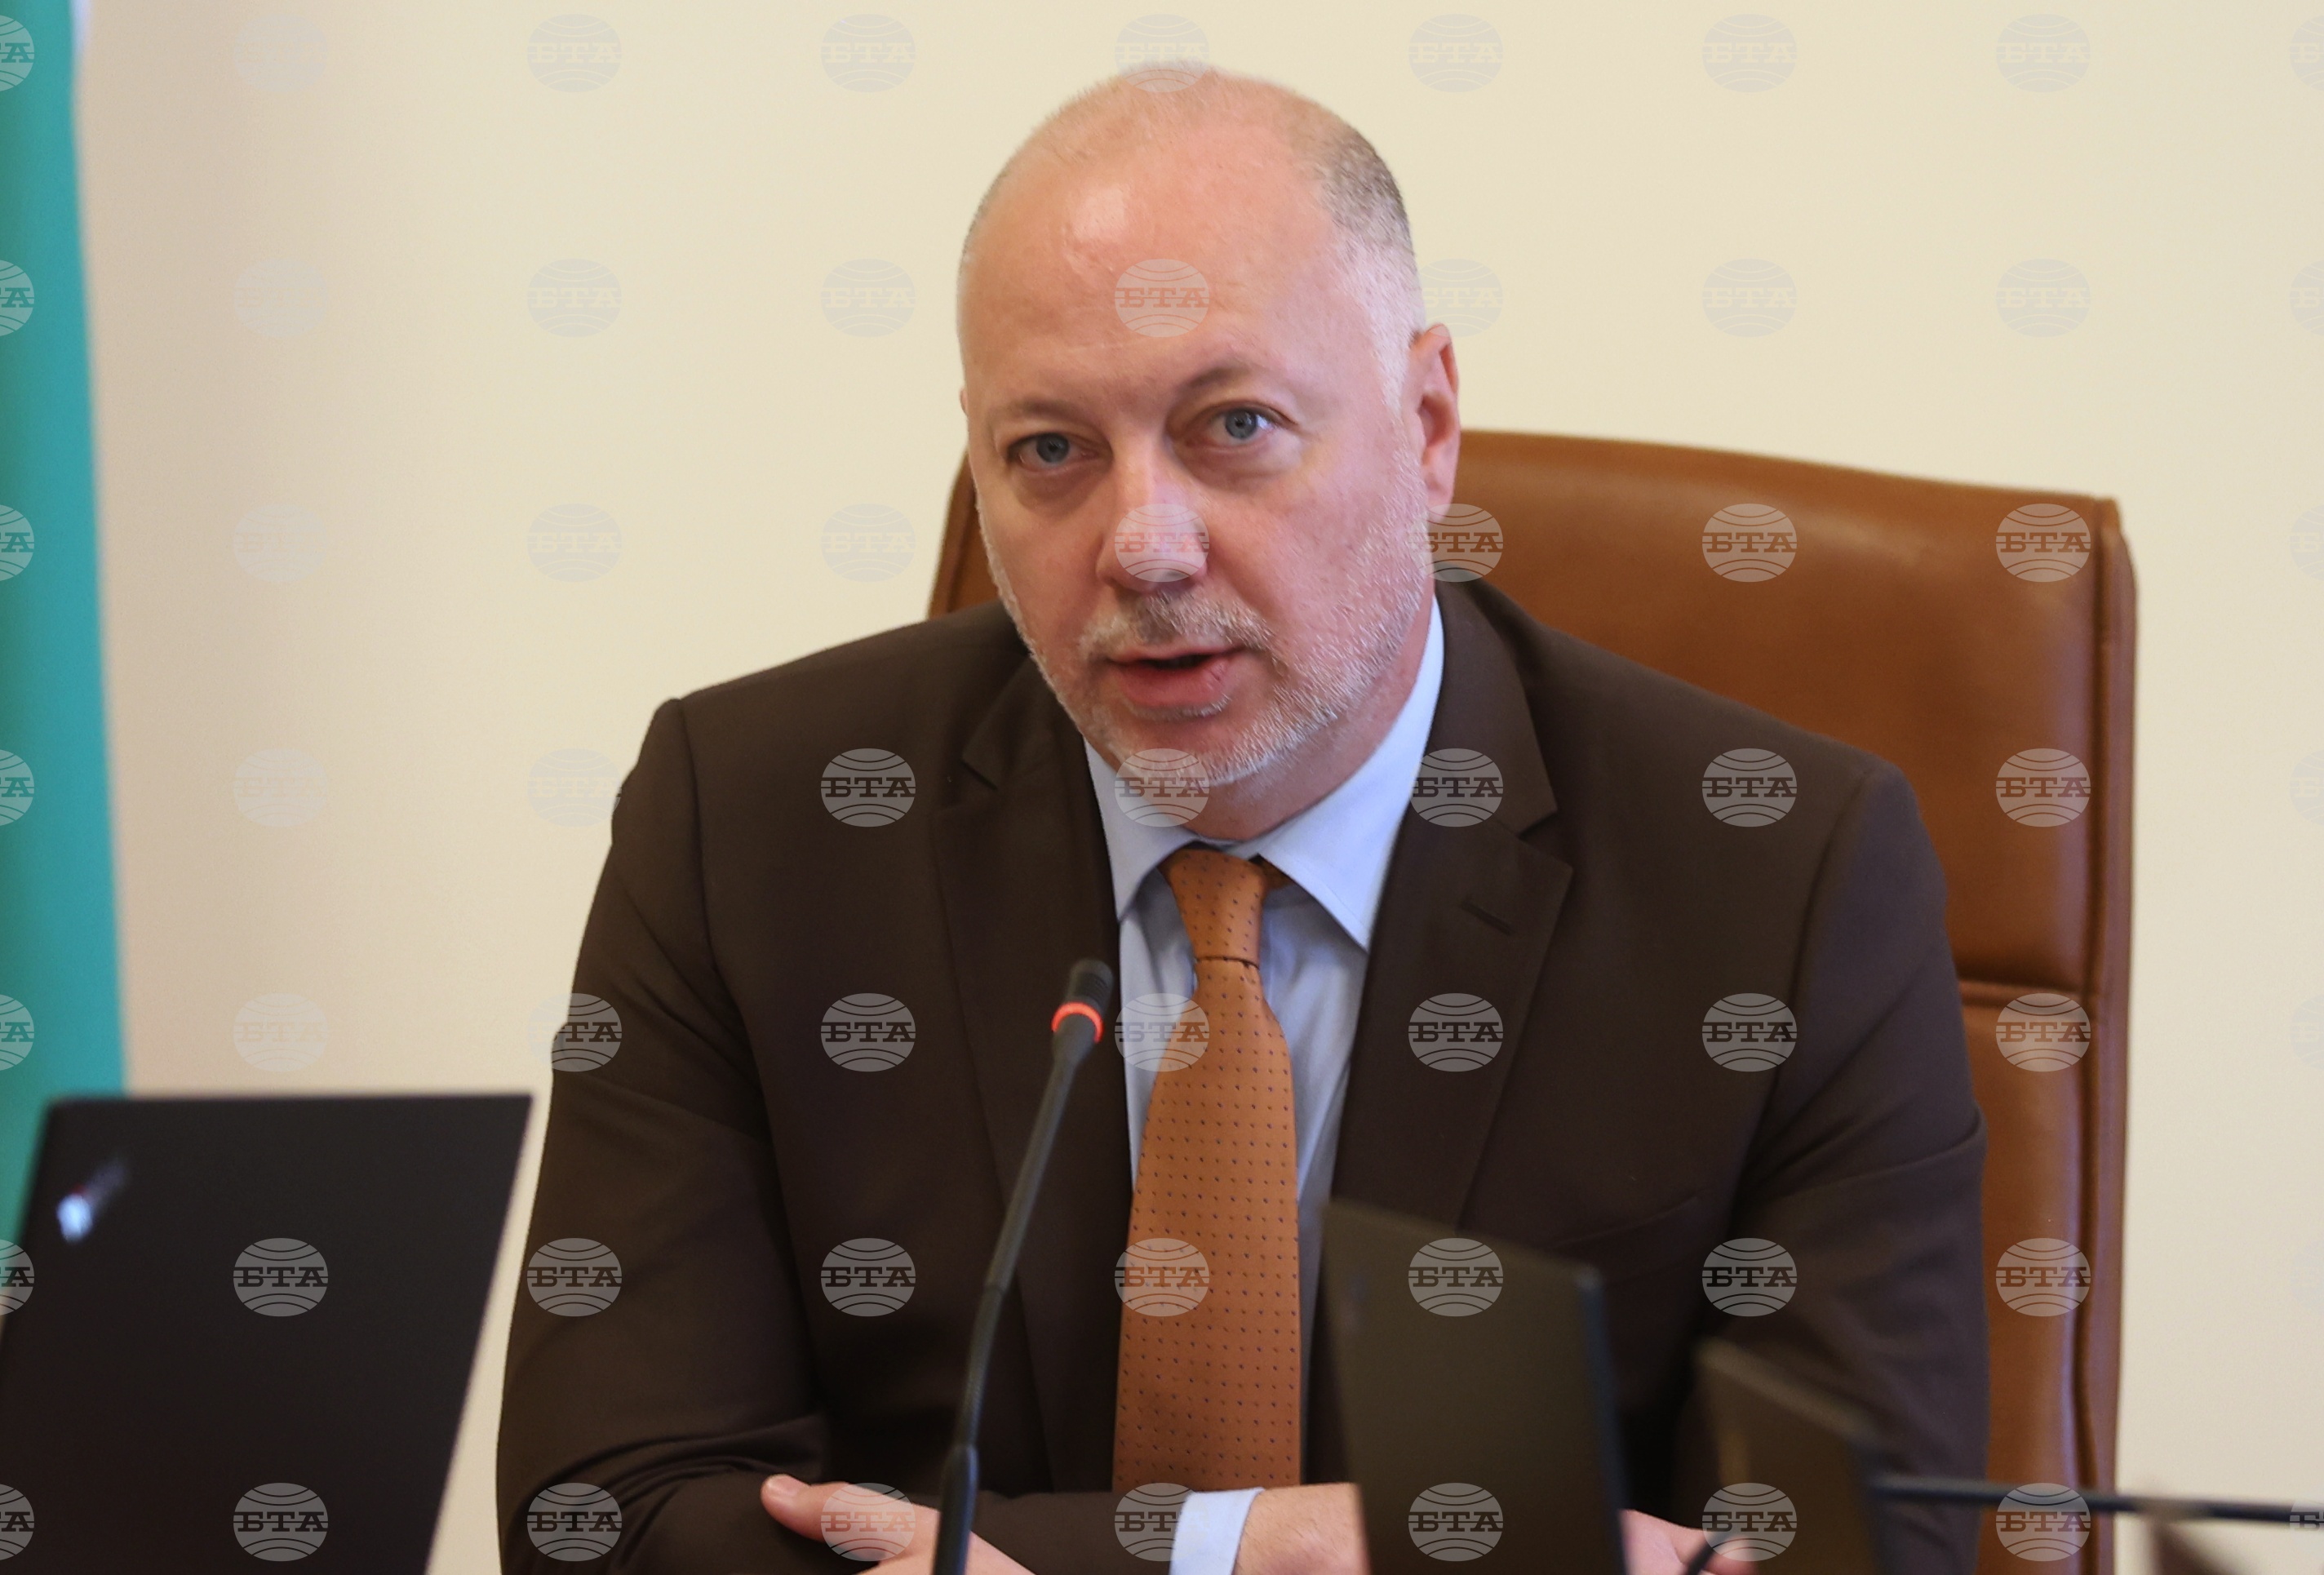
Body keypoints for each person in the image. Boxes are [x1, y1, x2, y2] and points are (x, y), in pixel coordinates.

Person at [498, 66, 1986, 1575]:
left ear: (1427, 424)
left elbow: (1852, 1559)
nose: (1143, 545)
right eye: (1051, 450)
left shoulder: (1781, 880)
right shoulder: (753, 823)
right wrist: (1255, 1550)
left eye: (1236, 425)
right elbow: (600, 1517)